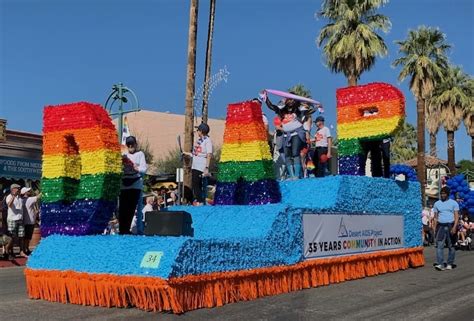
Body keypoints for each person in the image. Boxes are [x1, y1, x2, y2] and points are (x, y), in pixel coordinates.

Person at [265, 94, 311, 179]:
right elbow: (271, 106)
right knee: (287, 155)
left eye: (293, 99)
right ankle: (292, 175)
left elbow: (309, 111)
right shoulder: (282, 110)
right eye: (289, 99)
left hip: (296, 134)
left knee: (295, 153)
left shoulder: (298, 110)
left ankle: (296, 175)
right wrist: (265, 97)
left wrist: (318, 106)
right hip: (285, 135)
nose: (291, 101)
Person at [119, 136, 148, 234]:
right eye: (129, 145)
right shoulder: (124, 155)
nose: (131, 147)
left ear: (136, 144)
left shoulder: (140, 154)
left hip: (135, 184)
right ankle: (122, 230)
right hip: (123, 185)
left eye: (132, 144)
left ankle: (131, 230)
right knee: (123, 208)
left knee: (132, 208)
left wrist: (137, 168)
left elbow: (144, 169)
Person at [183, 123, 213, 205]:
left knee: (196, 184)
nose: (197, 131)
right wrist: (186, 153)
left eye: (198, 130)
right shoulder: (199, 140)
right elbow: (195, 153)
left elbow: (209, 154)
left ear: (202, 131)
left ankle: (200, 201)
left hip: (201, 166)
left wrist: (207, 167)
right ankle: (200, 200)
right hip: (195, 165)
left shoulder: (207, 141)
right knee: (196, 184)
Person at [432, 187, 459, 271]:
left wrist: (455, 227)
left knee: (451, 246)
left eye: (444, 193)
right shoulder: (437, 203)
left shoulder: (454, 203)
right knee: (439, 246)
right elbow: (436, 217)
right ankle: (440, 264)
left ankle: (450, 263)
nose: (443, 195)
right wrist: (434, 228)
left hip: (450, 225)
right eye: (441, 193)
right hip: (441, 226)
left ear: (448, 194)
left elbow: (456, 216)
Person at [6, 184, 28, 257]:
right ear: (12, 189)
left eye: (19, 188)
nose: (18, 190)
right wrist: (13, 196)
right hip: (12, 219)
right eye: (17, 188)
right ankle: (10, 251)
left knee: (21, 236)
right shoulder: (9, 196)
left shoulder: (20, 198)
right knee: (12, 237)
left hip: (20, 219)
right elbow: (9, 205)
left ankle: (21, 251)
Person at [21, 187, 41, 255]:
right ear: (25, 193)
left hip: (25, 221)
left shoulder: (21, 200)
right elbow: (38, 197)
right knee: (27, 237)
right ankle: (26, 249)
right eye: (28, 191)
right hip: (29, 221)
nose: (30, 192)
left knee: (25, 237)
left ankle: (25, 249)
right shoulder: (29, 199)